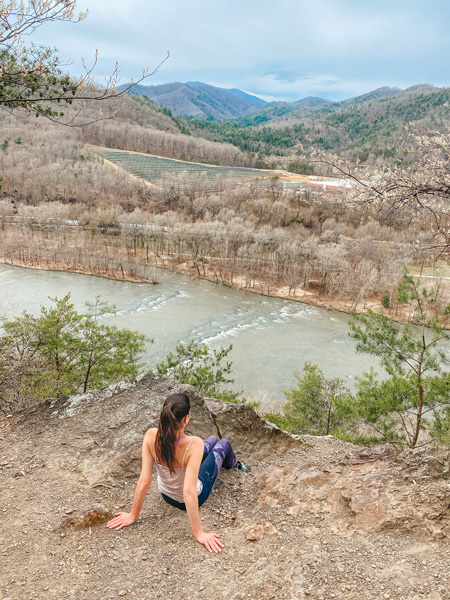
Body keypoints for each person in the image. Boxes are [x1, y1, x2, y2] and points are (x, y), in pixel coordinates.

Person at [106, 393, 250, 553]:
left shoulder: (150, 436)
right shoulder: (194, 444)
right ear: (186, 419)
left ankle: (225, 458)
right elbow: (189, 492)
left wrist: (133, 515)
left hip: (166, 494)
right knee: (223, 443)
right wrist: (199, 533)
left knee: (211, 440)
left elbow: (144, 481)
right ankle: (238, 466)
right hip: (191, 497)